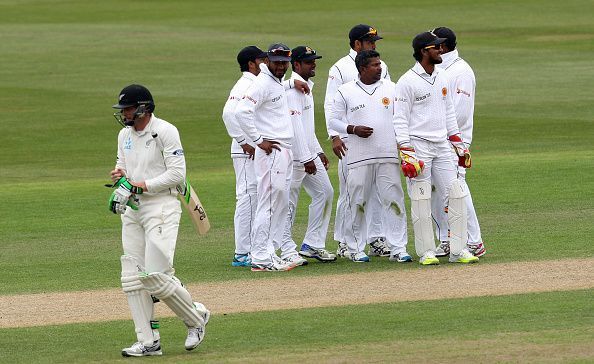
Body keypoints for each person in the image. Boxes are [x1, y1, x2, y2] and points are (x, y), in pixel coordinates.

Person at [109, 84, 209, 356]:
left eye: (128, 109)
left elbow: (177, 175)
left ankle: (196, 318)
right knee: (132, 277)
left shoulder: (165, 131)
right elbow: (124, 166)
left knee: (155, 276)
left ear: (144, 108)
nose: (124, 114)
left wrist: (138, 185)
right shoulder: (123, 134)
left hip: (161, 206)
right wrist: (120, 178)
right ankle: (148, 341)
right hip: (133, 209)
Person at [393, 32, 479, 265]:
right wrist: (406, 151)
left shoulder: (441, 76)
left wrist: (458, 143)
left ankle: (458, 249)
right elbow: (399, 119)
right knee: (421, 198)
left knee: (456, 194)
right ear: (424, 51)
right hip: (418, 145)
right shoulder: (406, 81)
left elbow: (449, 111)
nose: (441, 51)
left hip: (442, 145)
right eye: (436, 48)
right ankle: (426, 251)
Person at [328, 50, 410, 263]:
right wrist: (352, 128)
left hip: (388, 154)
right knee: (357, 201)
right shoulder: (346, 91)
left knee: (394, 199)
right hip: (359, 156)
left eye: (379, 64)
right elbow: (333, 121)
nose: (379, 68)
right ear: (362, 68)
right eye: (374, 65)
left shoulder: (391, 88)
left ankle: (398, 247)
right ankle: (355, 247)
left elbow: (402, 117)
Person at [235, 43, 307, 271]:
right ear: (267, 61)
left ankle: (268, 252)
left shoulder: (274, 82)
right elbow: (241, 111)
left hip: (282, 148)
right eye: (276, 63)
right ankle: (261, 258)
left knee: (278, 203)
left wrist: (288, 83)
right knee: (268, 204)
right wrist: (258, 141)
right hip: (271, 150)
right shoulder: (263, 83)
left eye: (284, 63)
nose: (281, 67)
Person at [324, 24, 393, 259]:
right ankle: (344, 241)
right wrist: (335, 136)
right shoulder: (340, 68)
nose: (374, 46)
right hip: (349, 141)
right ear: (356, 44)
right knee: (350, 192)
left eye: (375, 42)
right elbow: (330, 105)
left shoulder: (382, 66)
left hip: (379, 141)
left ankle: (376, 238)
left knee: (375, 192)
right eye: (370, 42)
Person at [429, 26, 486, 258]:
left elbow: (459, 113)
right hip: (433, 142)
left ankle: (474, 241)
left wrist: (442, 137)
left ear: (442, 46)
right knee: (436, 192)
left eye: (432, 44)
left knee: (456, 190)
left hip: (453, 143)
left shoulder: (460, 71)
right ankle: (445, 238)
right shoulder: (437, 69)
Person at [282, 45, 336, 262]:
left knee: (325, 192)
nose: (314, 64)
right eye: (308, 61)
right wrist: (306, 158)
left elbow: (307, 127)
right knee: (288, 203)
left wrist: (318, 151)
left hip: (308, 154)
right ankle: (285, 248)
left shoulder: (305, 87)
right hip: (295, 158)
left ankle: (312, 244)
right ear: (296, 65)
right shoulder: (293, 90)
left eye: (314, 60)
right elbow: (294, 128)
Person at [221, 46, 268, 267]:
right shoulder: (246, 84)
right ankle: (242, 252)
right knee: (248, 197)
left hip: (252, 149)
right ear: (251, 63)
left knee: (254, 196)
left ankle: (251, 248)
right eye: (262, 59)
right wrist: (244, 142)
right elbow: (229, 113)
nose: (267, 62)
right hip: (245, 151)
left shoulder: (256, 83)